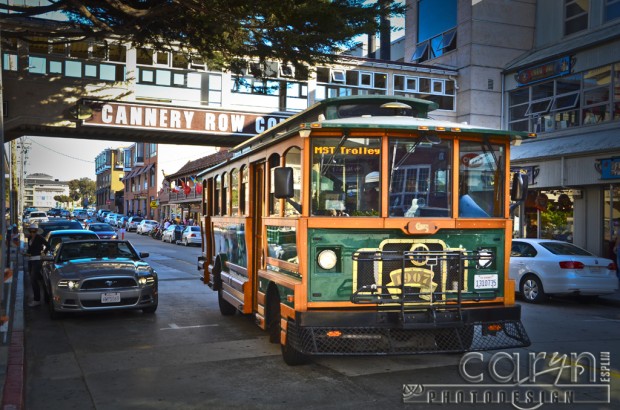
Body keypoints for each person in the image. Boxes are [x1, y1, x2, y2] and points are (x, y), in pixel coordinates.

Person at [25, 223, 49, 307]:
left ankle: (37, 299)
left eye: (34, 231)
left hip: (37, 260)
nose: (32, 233)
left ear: (36, 231)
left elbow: (48, 245)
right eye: (31, 231)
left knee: (33, 279)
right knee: (39, 279)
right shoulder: (29, 238)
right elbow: (30, 249)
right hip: (30, 260)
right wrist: (26, 253)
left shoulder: (39, 238)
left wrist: (43, 253)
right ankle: (45, 297)